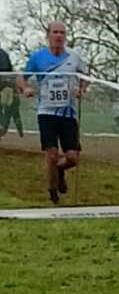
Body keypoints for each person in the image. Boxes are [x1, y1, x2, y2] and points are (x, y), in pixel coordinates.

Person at [16, 22, 86, 203]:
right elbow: (21, 77)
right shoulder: (38, 57)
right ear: (48, 35)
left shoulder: (74, 57)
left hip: (68, 113)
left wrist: (81, 89)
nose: (59, 36)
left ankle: (60, 170)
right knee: (52, 154)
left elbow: (86, 77)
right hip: (46, 112)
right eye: (55, 32)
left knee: (72, 158)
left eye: (62, 33)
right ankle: (52, 191)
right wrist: (25, 88)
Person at [0, 45, 24, 140]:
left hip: (6, 87)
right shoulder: (4, 54)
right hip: (8, 86)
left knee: (12, 113)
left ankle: (5, 129)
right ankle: (19, 133)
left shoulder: (3, 54)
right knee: (12, 113)